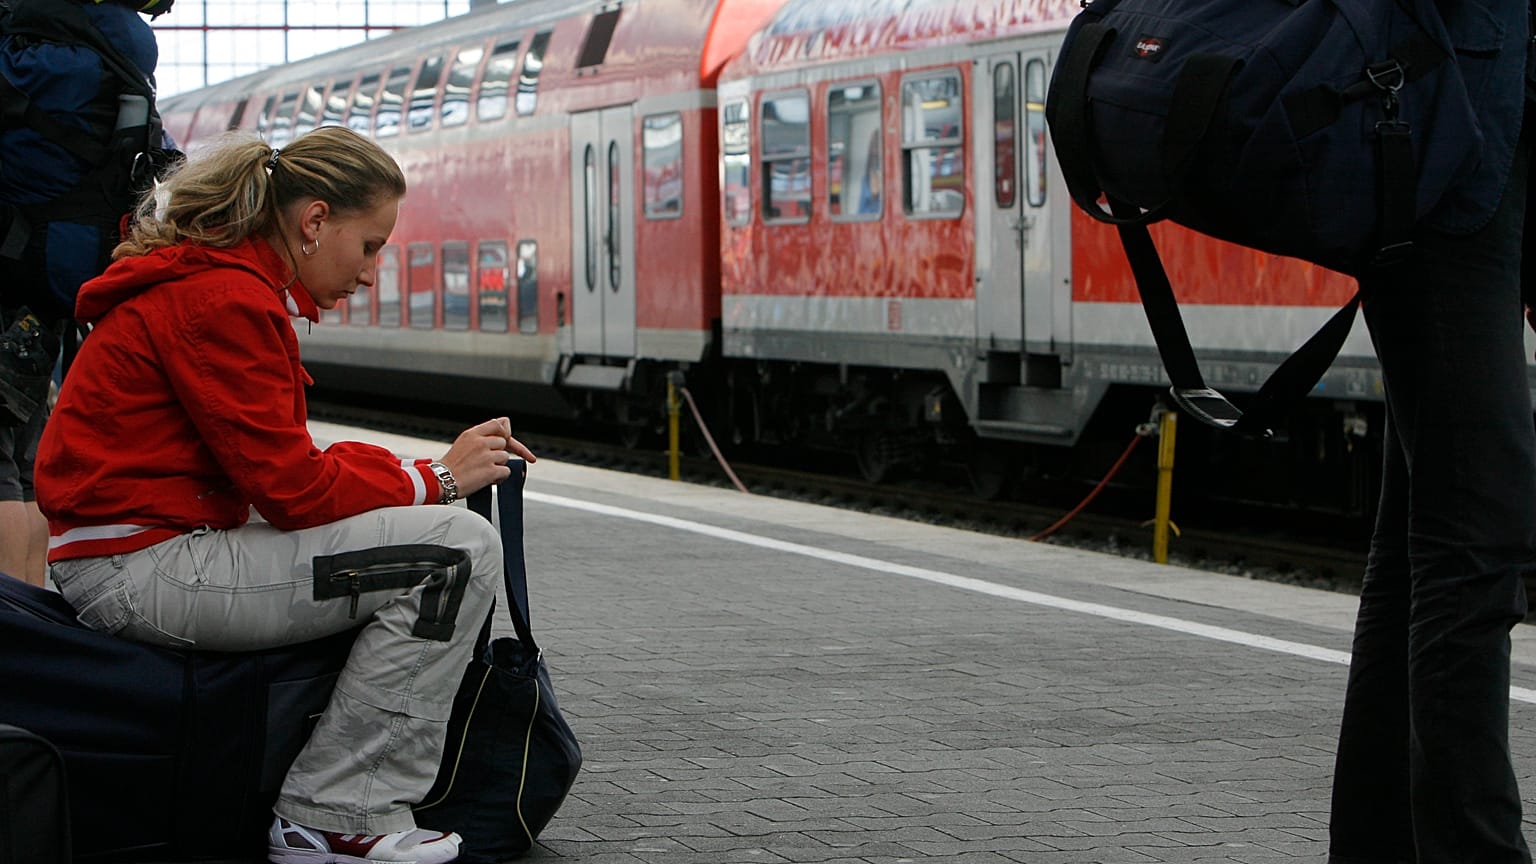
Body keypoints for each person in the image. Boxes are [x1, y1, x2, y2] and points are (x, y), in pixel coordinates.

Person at [33, 126, 534, 864]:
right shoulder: (225, 301)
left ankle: (332, 805)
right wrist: (439, 479)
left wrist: (419, 473)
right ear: (314, 221)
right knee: (454, 553)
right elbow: (295, 490)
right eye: (369, 247)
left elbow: (279, 464)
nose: (371, 273)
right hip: (146, 571)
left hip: (132, 555)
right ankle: (335, 812)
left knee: (423, 533)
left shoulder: (211, 285)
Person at [1327, 3, 1535, 863]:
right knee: (1474, 538)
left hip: (1462, 148)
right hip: (1452, 167)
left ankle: (1376, 847)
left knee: (1424, 546)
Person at [0, 0, 174, 587]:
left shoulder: (23, 59)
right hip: (48, 288)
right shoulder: (116, 61)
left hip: (6, 277)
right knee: (22, 468)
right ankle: (25, 626)